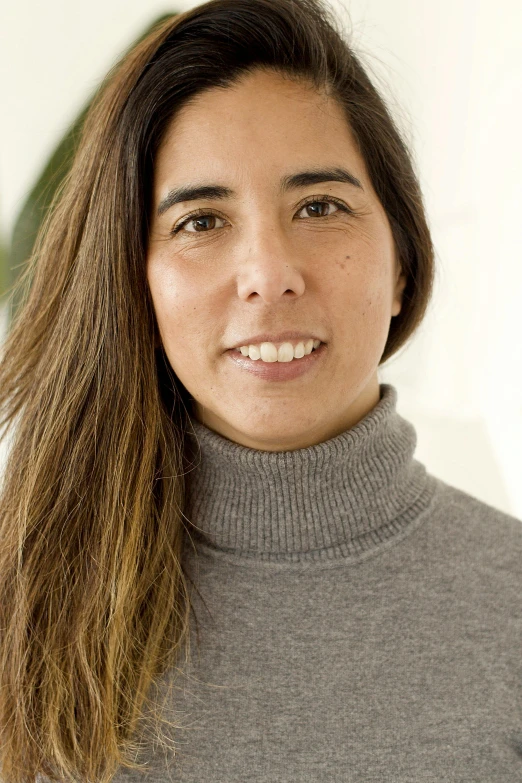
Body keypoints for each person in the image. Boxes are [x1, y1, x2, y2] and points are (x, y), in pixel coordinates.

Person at [0, 0, 521, 780]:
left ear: (402, 264)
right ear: (133, 283)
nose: (270, 275)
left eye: (319, 207)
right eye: (201, 221)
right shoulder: (29, 598)